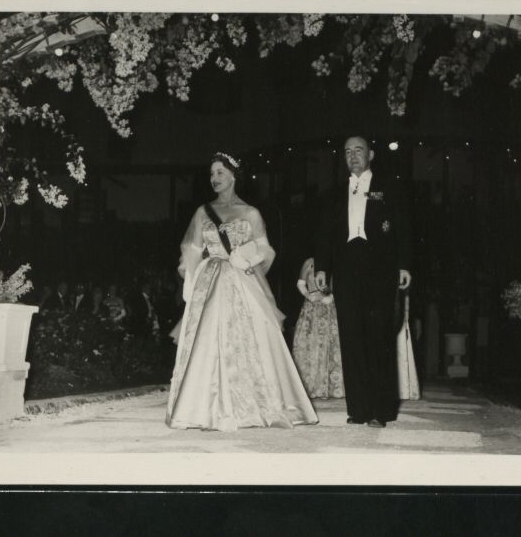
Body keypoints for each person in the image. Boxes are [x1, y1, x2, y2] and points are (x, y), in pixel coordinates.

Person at [166, 152, 318, 431]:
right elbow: (190, 248)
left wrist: (246, 256)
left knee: (246, 339)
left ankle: (247, 405)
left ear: (234, 175)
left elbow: (265, 250)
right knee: (207, 339)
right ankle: (202, 407)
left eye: (220, 173)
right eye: (212, 174)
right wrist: (192, 276)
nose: (214, 178)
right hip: (210, 280)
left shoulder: (251, 213)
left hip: (240, 281)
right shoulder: (202, 212)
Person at [315, 135, 412, 428]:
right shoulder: (334, 192)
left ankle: (381, 410)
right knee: (352, 337)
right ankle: (358, 409)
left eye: (358, 150)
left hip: (380, 267)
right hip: (346, 268)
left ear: (371, 154)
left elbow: (405, 227)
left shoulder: (390, 187)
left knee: (379, 336)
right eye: (347, 152)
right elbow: (324, 232)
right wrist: (322, 267)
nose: (353, 156)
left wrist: (404, 265)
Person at [291, 257, 345, 398]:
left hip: (331, 309)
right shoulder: (309, 262)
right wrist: (308, 296)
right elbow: (300, 283)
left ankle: (333, 388)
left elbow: (344, 285)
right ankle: (311, 386)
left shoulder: (337, 261)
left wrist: (330, 297)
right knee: (311, 344)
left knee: (332, 345)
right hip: (312, 309)